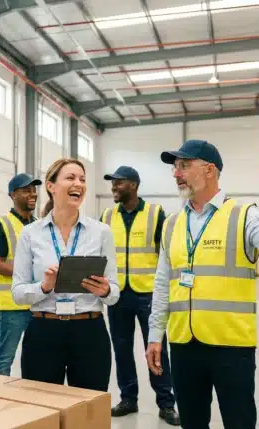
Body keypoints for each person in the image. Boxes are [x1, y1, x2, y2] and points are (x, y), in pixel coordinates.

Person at [146, 139, 259, 429]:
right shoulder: (172, 223)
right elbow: (163, 284)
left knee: (239, 422)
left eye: (184, 166)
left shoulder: (244, 215)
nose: (176, 173)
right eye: (175, 167)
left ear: (209, 170)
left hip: (231, 347)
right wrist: (154, 335)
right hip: (183, 344)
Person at [11, 158, 119, 392]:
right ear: (51, 186)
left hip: (89, 331)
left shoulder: (101, 232)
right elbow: (18, 293)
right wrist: (44, 286)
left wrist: (105, 290)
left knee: (89, 407)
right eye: (70, 178)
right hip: (44, 331)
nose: (78, 184)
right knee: (42, 406)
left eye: (82, 179)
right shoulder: (30, 234)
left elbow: (114, 293)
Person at [100, 166, 180, 426]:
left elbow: (166, 253)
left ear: (133, 185)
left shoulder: (155, 214)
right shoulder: (107, 216)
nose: (114, 187)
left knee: (156, 349)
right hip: (117, 294)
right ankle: (128, 398)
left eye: (119, 182)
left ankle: (166, 404)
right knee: (121, 349)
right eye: (112, 183)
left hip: (148, 295)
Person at [0, 173, 41, 376]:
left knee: (35, 357)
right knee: (5, 358)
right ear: (13, 194)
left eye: (34, 190)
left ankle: (28, 393)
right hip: (12, 306)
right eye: (26, 190)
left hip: (37, 303)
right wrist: (28, 271)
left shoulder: (39, 225)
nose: (33, 194)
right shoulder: (2, 224)